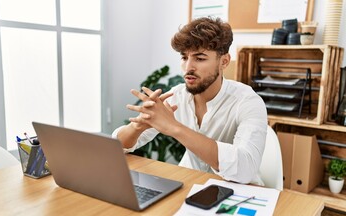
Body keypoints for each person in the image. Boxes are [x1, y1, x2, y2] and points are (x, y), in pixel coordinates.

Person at [112, 17, 267, 185]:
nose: (188, 68)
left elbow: (244, 169)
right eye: (184, 57)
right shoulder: (176, 96)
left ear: (224, 61)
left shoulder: (248, 101)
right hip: (189, 183)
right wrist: (138, 126)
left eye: (200, 59)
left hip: (240, 192)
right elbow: (118, 147)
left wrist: (174, 127)